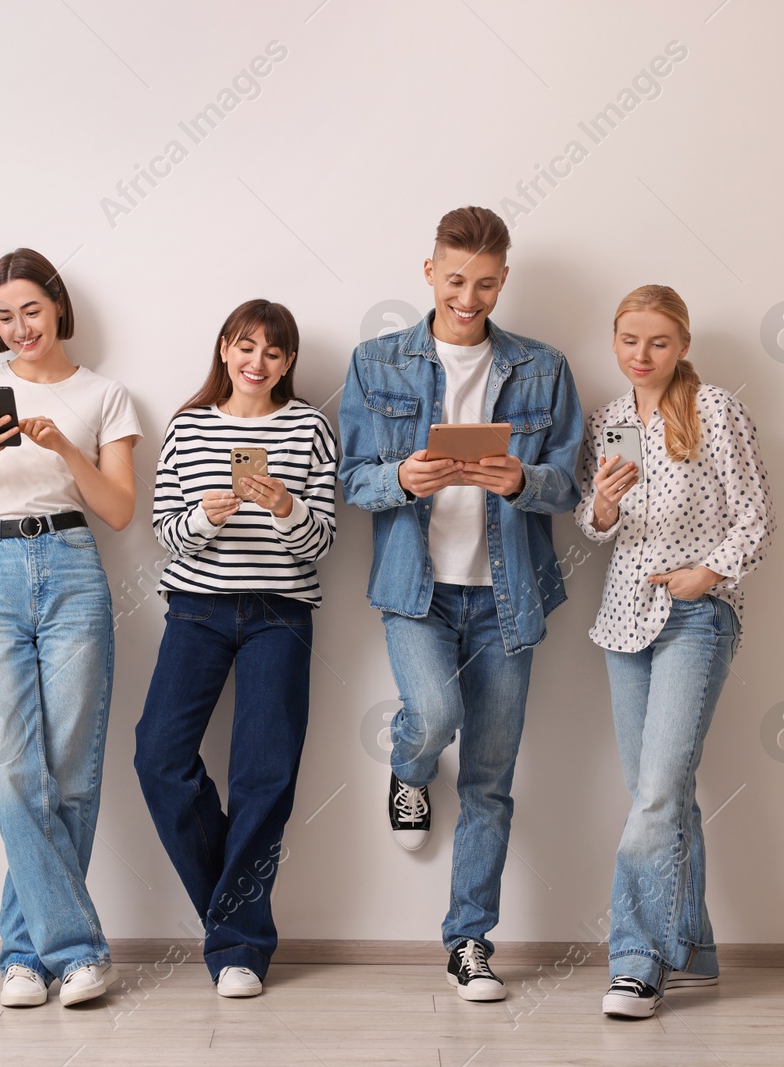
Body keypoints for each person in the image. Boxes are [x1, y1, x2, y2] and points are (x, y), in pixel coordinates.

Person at [338, 206, 582, 1002]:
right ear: (428, 272)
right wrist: (397, 479)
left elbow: (570, 481)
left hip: (508, 596)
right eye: (454, 281)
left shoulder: (543, 368)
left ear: (503, 279)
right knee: (434, 716)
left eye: (484, 283)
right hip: (418, 589)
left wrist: (524, 481)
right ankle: (409, 767)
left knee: (489, 778)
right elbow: (349, 476)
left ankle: (469, 942)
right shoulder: (377, 361)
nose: (468, 297)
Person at [0, 248, 141, 1008]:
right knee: (11, 774)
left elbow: (118, 509)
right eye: (3, 316)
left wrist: (61, 449)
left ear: (57, 307)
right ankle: (77, 948)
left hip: (74, 564)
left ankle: (25, 956)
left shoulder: (105, 394)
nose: (18, 327)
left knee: (72, 775)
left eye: (30, 310)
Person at [577, 285, 774, 1019]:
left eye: (658, 341)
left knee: (658, 790)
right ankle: (692, 947)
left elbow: (758, 516)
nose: (642, 354)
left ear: (682, 344)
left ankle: (635, 961)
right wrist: (600, 503)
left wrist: (708, 574)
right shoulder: (612, 420)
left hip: (695, 616)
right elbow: (599, 528)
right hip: (624, 617)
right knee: (661, 792)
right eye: (629, 339)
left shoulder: (715, 409)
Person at [134, 299, 339, 999]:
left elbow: (321, 543)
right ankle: (238, 914)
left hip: (281, 615)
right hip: (196, 611)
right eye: (246, 347)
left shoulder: (310, 426)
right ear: (224, 349)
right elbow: (164, 531)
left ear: (288, 363)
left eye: (274, 354)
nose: (258, 363)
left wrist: (284, 507)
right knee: (158, 755)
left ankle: (240, 947)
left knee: (265, 776)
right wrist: (204, 515)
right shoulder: (188, 427)